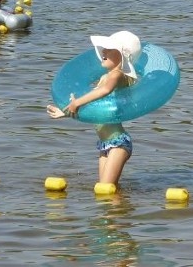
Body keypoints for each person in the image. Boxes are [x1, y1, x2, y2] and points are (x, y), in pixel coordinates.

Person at [46, 31, 142, 186]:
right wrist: (66, 112)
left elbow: (104, 91)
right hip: (104, 143)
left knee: (106, 189)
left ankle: (121, 208)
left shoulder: (117, 75)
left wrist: (77, 103)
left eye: (110, 49)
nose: (104, 51)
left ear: (121, 55)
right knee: (105, 192)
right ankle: (121, 207)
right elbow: (95, 106)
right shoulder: (106, 77)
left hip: (118, 143)